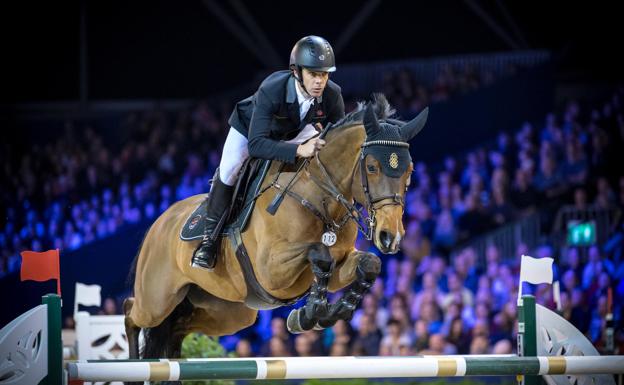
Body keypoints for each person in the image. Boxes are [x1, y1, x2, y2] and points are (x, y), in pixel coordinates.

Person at [191, 35, 345, 270]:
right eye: (313, 74)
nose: (319, 82)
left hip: (294, 132)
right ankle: (208, 242)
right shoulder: (272, 89)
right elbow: (257, 145)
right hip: (250, 131)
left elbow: (338, 139)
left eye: (324, 74)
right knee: (230, 169)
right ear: (296, 72)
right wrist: (299, 150)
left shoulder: (332, 95)